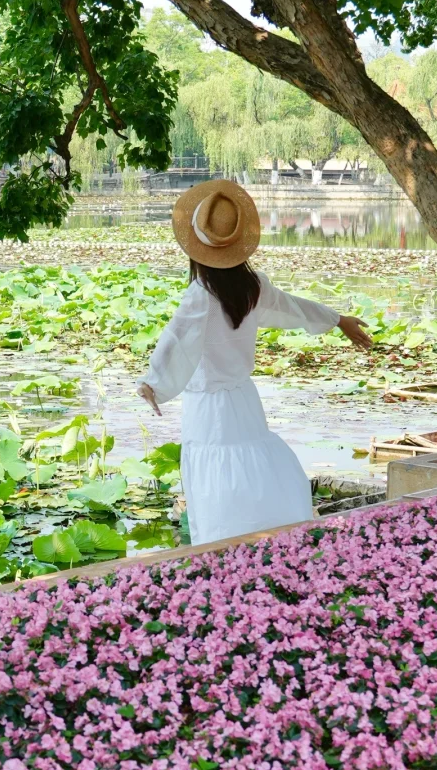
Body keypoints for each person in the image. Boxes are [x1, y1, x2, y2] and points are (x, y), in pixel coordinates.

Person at [138, 179, 372, 545]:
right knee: (249, 466)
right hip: (243, 400)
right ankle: (265, 539)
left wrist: (154, 383)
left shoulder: (201, 294)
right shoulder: (253, 286)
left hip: (209, 406)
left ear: (197, 248)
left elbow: (176, 339)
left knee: (214, 478)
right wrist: (336, 319)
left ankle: (220, 548)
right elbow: (293, 308)